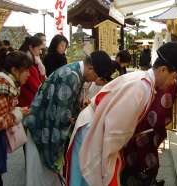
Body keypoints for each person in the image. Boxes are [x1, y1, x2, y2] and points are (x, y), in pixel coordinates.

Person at [65, 42, 177, 186]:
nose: (172, 82)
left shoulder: (145, 83)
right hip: (94, 129)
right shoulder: (140, 87)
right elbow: (114, 132)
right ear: (163, 70)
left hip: (98, 126)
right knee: (90, 177)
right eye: (173, 77)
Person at [23, 51, 115, 186]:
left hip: (42, 126)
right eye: (96, 75)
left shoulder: (75, 72)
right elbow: (60, 117)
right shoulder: (71, 77)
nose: (95, 80)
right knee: (41, 178)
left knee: (43, 178)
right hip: (42, 130)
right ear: (90, 68)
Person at [121, 49, 177, 186]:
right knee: (143, 165)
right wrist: (164, 125)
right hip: (145, 132)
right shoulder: (171, 83)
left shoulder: (171, 80)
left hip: (143, 131)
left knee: (138, 165)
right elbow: (159, 114)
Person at [0, 51, 32, 186]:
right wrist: (17, 115)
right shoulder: (3, 89)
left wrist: (17, 111)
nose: (28, 74)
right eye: (26, 71)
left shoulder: (6, 87)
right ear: (14, 70)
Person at [19, 36, 45, 107]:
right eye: (39, 49)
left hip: (28, 103)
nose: (40, 52)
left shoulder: (34, 62)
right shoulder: (27, 64)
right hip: (28, 104)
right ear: (30, 47)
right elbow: (36, 87)